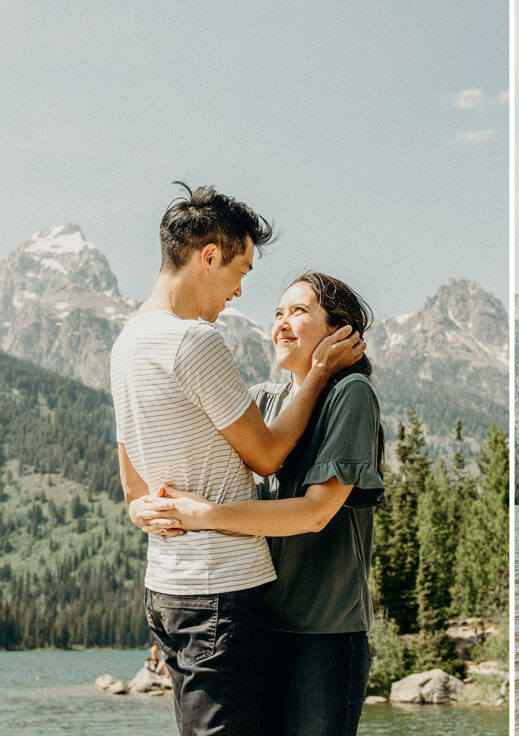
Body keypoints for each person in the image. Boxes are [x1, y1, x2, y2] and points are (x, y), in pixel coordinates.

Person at [110, 183, 364, 736]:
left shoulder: (125, 345)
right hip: (217, 592)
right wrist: (319, 372)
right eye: (240, 271)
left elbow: (133, 485)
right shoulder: (193, 341)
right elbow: (269, 456)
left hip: (167, 588)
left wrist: (140, 513)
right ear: (208, 256)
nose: (239, 290)